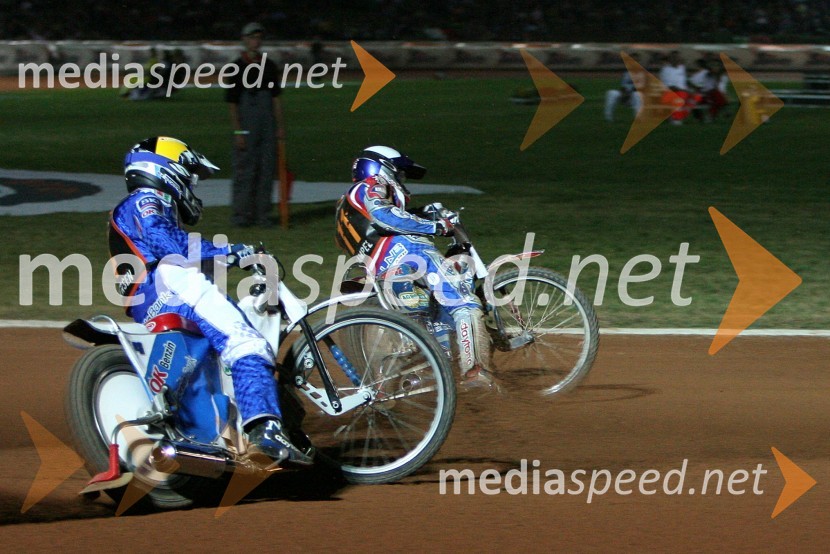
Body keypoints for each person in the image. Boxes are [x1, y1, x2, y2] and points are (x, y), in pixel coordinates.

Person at [108, 136, 311, 468]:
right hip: (170, 285)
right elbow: (164, 240)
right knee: (245, 342)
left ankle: (221, 435)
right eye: (189, 173)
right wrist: (229, 250)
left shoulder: (138, 206)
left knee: (224, 354)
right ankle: (264, 428)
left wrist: (226, 257)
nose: (193, 182)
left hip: (154, 297)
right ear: (164, 170)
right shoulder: (147, 198)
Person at [334, 145, 497, 390]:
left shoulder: (345, 205)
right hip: (408, 251)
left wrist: (424, 214)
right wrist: (437, 227)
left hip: (378, 266)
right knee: (464, 301)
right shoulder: (374, 183)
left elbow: (378, 224)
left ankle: (432, 361)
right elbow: (385, 215)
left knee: (435, 311)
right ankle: (474, 370)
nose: (402, 180)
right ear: (382, 167)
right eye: (399, 174)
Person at [225, 21, 284, 227]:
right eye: (251, 37)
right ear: (244, 39)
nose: (255, 41)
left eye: (258, 37)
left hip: (267, 121)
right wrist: (238, 131)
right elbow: (232, 103)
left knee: (267, 170)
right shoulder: (236, 67)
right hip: (247, 122)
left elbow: (276, 98)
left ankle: (263, 215)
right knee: (245, 170)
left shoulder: (269, 65)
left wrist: (279, 126)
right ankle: (241, 215)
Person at [604, 53, 644, 122]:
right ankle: (608, 118)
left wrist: (629, 93)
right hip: (626, 95)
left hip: (637, 97)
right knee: (611, 93)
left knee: (637, 94)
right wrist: (624, 93)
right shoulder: (626, 73)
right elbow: (623, 86)